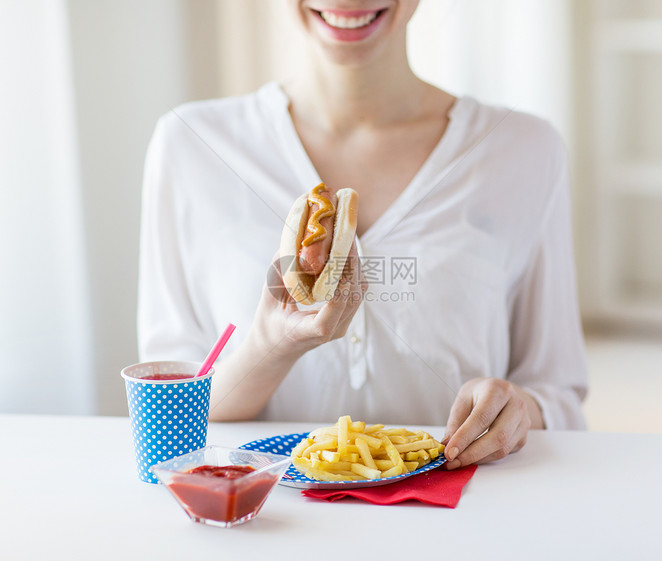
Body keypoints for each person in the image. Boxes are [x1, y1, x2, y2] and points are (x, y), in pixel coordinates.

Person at [138, 0, 589, 469]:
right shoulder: (190, 144)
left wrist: (515, 409)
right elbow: (169, 414)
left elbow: (557, 396)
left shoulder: (524, 149)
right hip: (267, 523)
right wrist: (270, 347)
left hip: (461, 518)